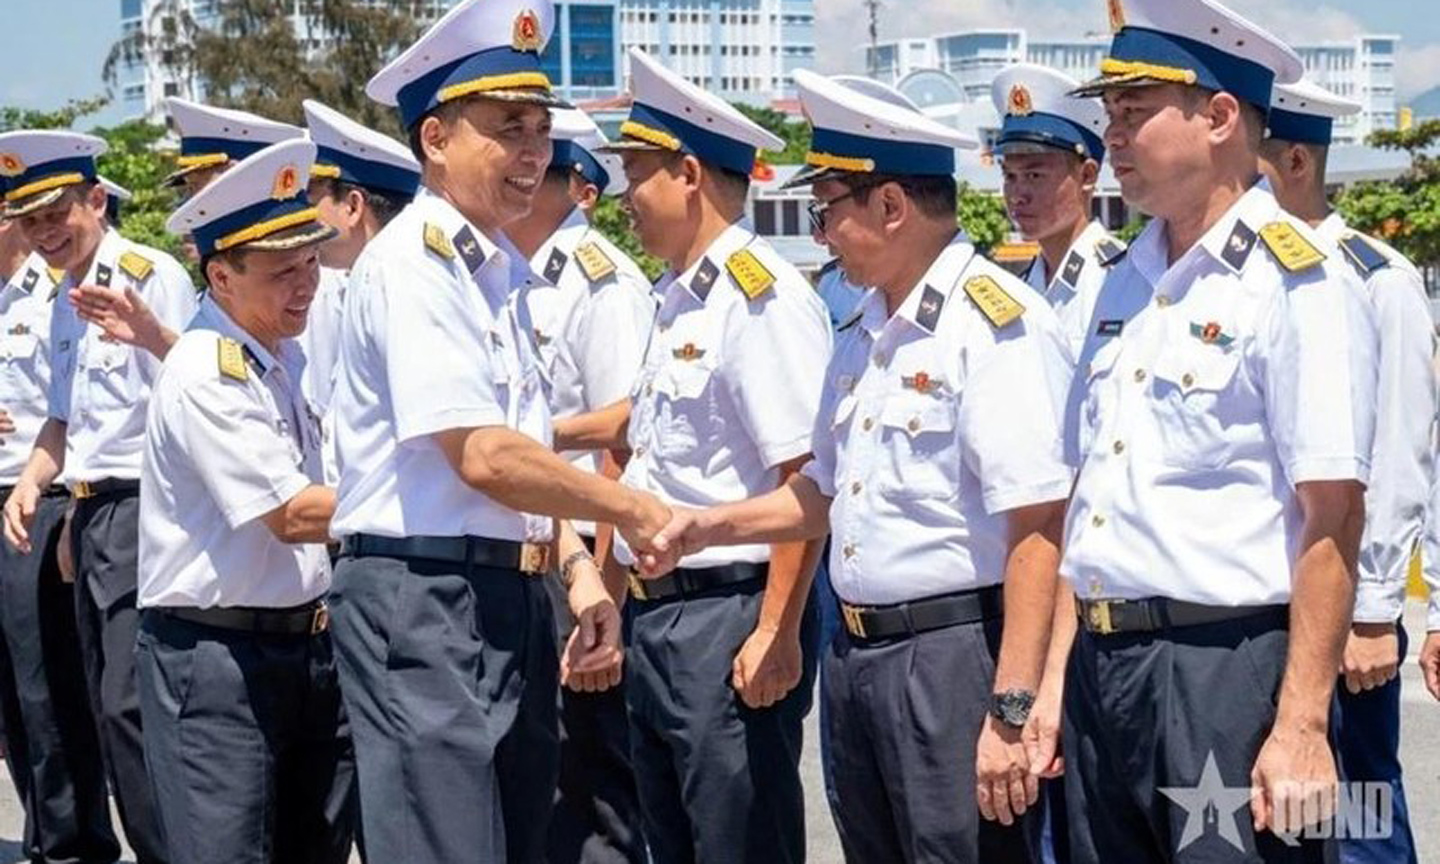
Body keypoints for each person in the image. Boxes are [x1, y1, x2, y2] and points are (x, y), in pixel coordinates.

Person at [636, 65, 1074, 864]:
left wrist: (1012, 707)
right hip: (859, 659)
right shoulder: (863, 329)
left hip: (951, 657)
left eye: (827, 209)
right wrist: (707, 524)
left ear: (892, 206)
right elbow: (817, 493)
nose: (822, 231)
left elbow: (1039, 526)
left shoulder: (993, 326)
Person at [326, 2, 671, 861]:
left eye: (542, 130)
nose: (532, 154)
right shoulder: (417, 265)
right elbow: (481, 454)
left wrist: (578, 568)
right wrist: (626, 508)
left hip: (500, 596)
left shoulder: (497, 271)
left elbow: (524, 452)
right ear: (436, 139)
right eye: (507, 128)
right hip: (423, 600)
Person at [1058, 0, 1378, 859]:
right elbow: (1084, 502)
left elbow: (1333, 514)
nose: (1111, 138)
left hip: (1221, 668)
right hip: (1103, 663)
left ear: (1221, 117)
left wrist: (1304, 722)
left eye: (1134, 114)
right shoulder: (1124, 279)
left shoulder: (1297, 280)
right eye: (1108, 117)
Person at [555, 46, 832, 864]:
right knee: (672, 841)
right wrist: (550, 434)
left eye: (636, 173)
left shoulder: (761, 298)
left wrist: (778, 628)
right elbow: (649, 427)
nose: (622, 199)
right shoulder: (680, 297)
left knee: (738, 841)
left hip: (731, 609)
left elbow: (803, 481)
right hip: (661, 611)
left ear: (686, 174)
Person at [136, 138, 355, 864]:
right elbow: (291, 515)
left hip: (302, 646)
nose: (305, 285)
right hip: (217, 658)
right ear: (220, 276)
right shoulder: (207, 369)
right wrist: (421, 503)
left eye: (311, 263)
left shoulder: (280, 357)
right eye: (281, 271)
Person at [0, 130, 200, 864]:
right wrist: (33, 484)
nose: (47, 233)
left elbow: (200, 386)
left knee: (132, 707)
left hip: (148, 508)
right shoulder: (62, 300)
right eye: (31, 221)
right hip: (88, 514)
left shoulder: (147, 275)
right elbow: (62, 417)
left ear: (95, 198)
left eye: (58, 214)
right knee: (99, 705)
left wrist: (151, 336)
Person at [1259, 76, 1433, 864]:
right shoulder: (1238, 275)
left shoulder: (1376, 276)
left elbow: (1401, 452)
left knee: (1359, 810)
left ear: (1295, 160)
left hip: (1345, 600)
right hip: (1261, 607)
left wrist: (1371, 610)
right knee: (1252, 812)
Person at [504, 106, 653, 864]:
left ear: (564, 181)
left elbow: (630, 436)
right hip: (539, 556)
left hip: (589, 572)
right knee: (546, 791)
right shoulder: (509, 278)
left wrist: (606, 594)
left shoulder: (600, 280)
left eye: (530, 167)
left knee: (595, 797)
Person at [0, 214, 119, 864]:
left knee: (48, 688)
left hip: (39, 499)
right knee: (13, 698)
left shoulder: (61, 294)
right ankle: (44, 838)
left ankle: (75, 845)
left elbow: (77, 413)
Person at [301, 98, 421, 483]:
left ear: (353, 206)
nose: (303, 217)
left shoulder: (403, 289)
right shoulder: (357, 285)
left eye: (311, 200)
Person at [991, 63, 1124, 358]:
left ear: (1087, 176)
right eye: (1009, 177)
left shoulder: (1119, 280)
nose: (1017, 196)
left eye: (1034, 176)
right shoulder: (1020, 286)